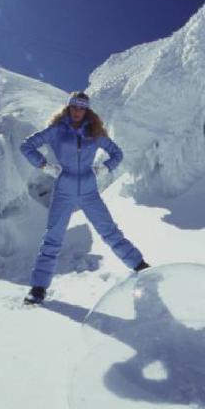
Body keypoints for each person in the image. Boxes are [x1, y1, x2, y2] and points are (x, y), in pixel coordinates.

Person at [20, 91, 150, 304]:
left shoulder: (95, 132)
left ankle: (139, 266)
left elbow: (117, 154)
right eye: (75, 106)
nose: (78, 111)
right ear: (68, 107)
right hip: (64, 190)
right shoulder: (56, 131)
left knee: (109, 231)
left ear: (87, 109)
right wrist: (45, 166)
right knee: (53, 238)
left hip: (89, 191)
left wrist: (104, 169)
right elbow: (27, 146)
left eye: (82, 107)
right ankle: (38, 288)